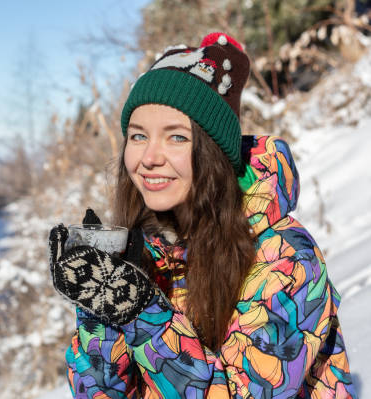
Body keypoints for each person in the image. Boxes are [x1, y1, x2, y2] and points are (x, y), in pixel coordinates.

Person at [49, 32, 356, 398]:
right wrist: (98, 307)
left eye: (176, 137)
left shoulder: (286, 258)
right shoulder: (151, 249)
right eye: (138, 136)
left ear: (212, 152)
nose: (149, 157)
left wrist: (141, 314)